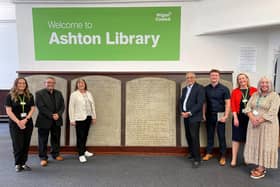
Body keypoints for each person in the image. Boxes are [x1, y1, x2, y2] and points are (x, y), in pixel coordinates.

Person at [244, 77, 280, 179]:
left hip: (267, 125)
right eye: (262, 83)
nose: (264, 84)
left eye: (266, 83)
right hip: (254, 123)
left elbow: (273, 111)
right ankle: (258, 164)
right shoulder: (255, 94)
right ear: (259, 84)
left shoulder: (275, 96)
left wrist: (259, 120)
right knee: (256, 143)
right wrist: (252, 118)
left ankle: (261, 168)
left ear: (270, 84)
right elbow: (248, 107)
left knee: (265, 144)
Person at [5, 78, 35, 172]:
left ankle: (23, 163)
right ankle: (17, 164)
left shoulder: (29, 95)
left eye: (24, 83)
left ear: (26, 85)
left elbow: (32, 108)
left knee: (26, 144)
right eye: (20, 83)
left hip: (27, 123)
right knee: (18, 144)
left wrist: (26, 119)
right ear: (16, 84)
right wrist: (18, 122)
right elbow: (9, 111)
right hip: (15, 124)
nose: (22, 84)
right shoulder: (10, 96)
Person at [202, 69, 231, 166]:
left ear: (219, 77)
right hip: (209, 115)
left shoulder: (224, 89)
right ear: (210, 77)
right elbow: (204, 103)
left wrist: (226, 116)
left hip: (220, 115)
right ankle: (209, 153)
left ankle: (223, 155)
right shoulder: (206, 89)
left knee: (221, 136)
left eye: (216, 75)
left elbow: (228, 103)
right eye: (212, 75)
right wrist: (203, 114)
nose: (214, 77)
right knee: (209, 135)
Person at [35, 77, 65, 167]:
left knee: (55, 138)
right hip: (44, 120)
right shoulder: (39, 93)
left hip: (57, 120)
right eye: (48, 82)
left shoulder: (59, 93)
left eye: (52, 82)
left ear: (54, 83)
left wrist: (58, 114)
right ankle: (43, 158)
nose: (50, 84)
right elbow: (41, 107)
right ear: (45, 83)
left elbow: (62, 106)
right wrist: (52, 115)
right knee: (42, 140)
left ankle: (55, 154)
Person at [230, 73, 257, 167]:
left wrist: (255, 116)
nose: (242, 80)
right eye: (239, 79)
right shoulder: (235, 91)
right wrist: (235, 118)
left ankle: (246, 158)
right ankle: (234, 159)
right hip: (238, 117)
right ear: (238, 81)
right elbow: (232, 105)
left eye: (243, 78)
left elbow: (257, 104)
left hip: (250, 117)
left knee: (247, 138)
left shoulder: (254, 90)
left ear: (247, 79)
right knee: (236, 138)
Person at [180, 72, 205, 168]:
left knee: (194, 137)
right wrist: (182, 111)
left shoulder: (200, 88)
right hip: (185, 116)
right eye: (187, 78)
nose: (189, 79)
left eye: (191, 77)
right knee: (188, 135)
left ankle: (197, 159)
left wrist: (189, 112)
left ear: (195, 78)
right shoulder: (184, 89)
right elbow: (182, 101)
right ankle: (192, 153)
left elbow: (200, 103)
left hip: (194, 116)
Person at [69, 79, 97, 163]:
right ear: (77, 85)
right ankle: (81, 154)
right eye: (79, 83)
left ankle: (84, 150)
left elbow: (93, 105)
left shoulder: (89, 93)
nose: (81, 84)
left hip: (88, 117)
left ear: (85, 84)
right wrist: (72, 119)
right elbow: (71, 107)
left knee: (85, 135)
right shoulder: (74, 94)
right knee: (80, 136)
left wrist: (94, 116)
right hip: (79, 118)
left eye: (82, 83)